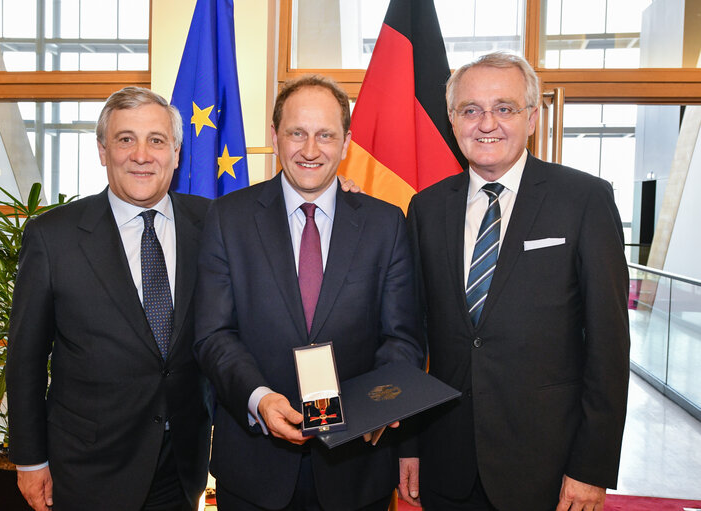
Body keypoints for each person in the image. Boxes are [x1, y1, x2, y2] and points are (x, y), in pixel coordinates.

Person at [400, 52, 630, 511]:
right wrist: (409, 443)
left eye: (504, 108)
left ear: (532, 118)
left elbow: (608, 346)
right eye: (471, 110)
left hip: (547, 466)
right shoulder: (425, 208)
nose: (487, 123)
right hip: (448, 462)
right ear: (452, 120)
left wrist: (591, 465)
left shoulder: (584, 199)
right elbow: (411, 335)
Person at [193, 74, 424, 511]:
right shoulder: (228, 219)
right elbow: (212, 334)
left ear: (346, 141)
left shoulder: (385, 223)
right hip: (254, 465)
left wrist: (376, 404)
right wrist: (259, 400)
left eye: (325, 135)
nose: (311, 149)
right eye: (297, 133)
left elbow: (403, 337)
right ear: (276, 136)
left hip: (356, 466)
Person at [5, 86, 214, 511]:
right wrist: (29, 459)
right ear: (103, 150)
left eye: (156, 140)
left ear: (176, 152)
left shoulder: (212, 224)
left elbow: (276, 229)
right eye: (125, 140)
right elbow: (25, 357)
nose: (141, 155)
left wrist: (336, 194)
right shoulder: (53, 237)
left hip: (181, 464)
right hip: (87, 467)